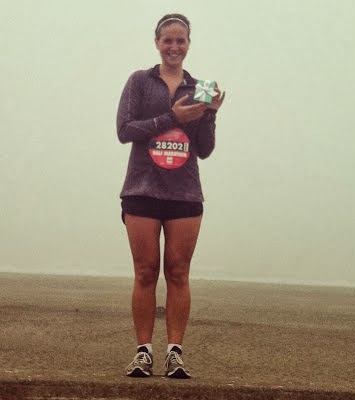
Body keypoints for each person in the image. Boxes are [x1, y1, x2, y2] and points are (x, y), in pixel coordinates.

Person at [116, 13, 225, 379]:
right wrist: (172, 118)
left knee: (178, 273)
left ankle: (175, 354)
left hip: (184, 194)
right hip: (141, 190)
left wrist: (209, 114)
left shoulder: (200, 88)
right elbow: (125, 130)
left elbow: (204, 149)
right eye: (168, 40)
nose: (174, 47)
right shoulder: (139, 81)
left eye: (181, 41)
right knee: (145, 272)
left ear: (189, 45)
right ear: (157, 43)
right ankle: (143, 353)